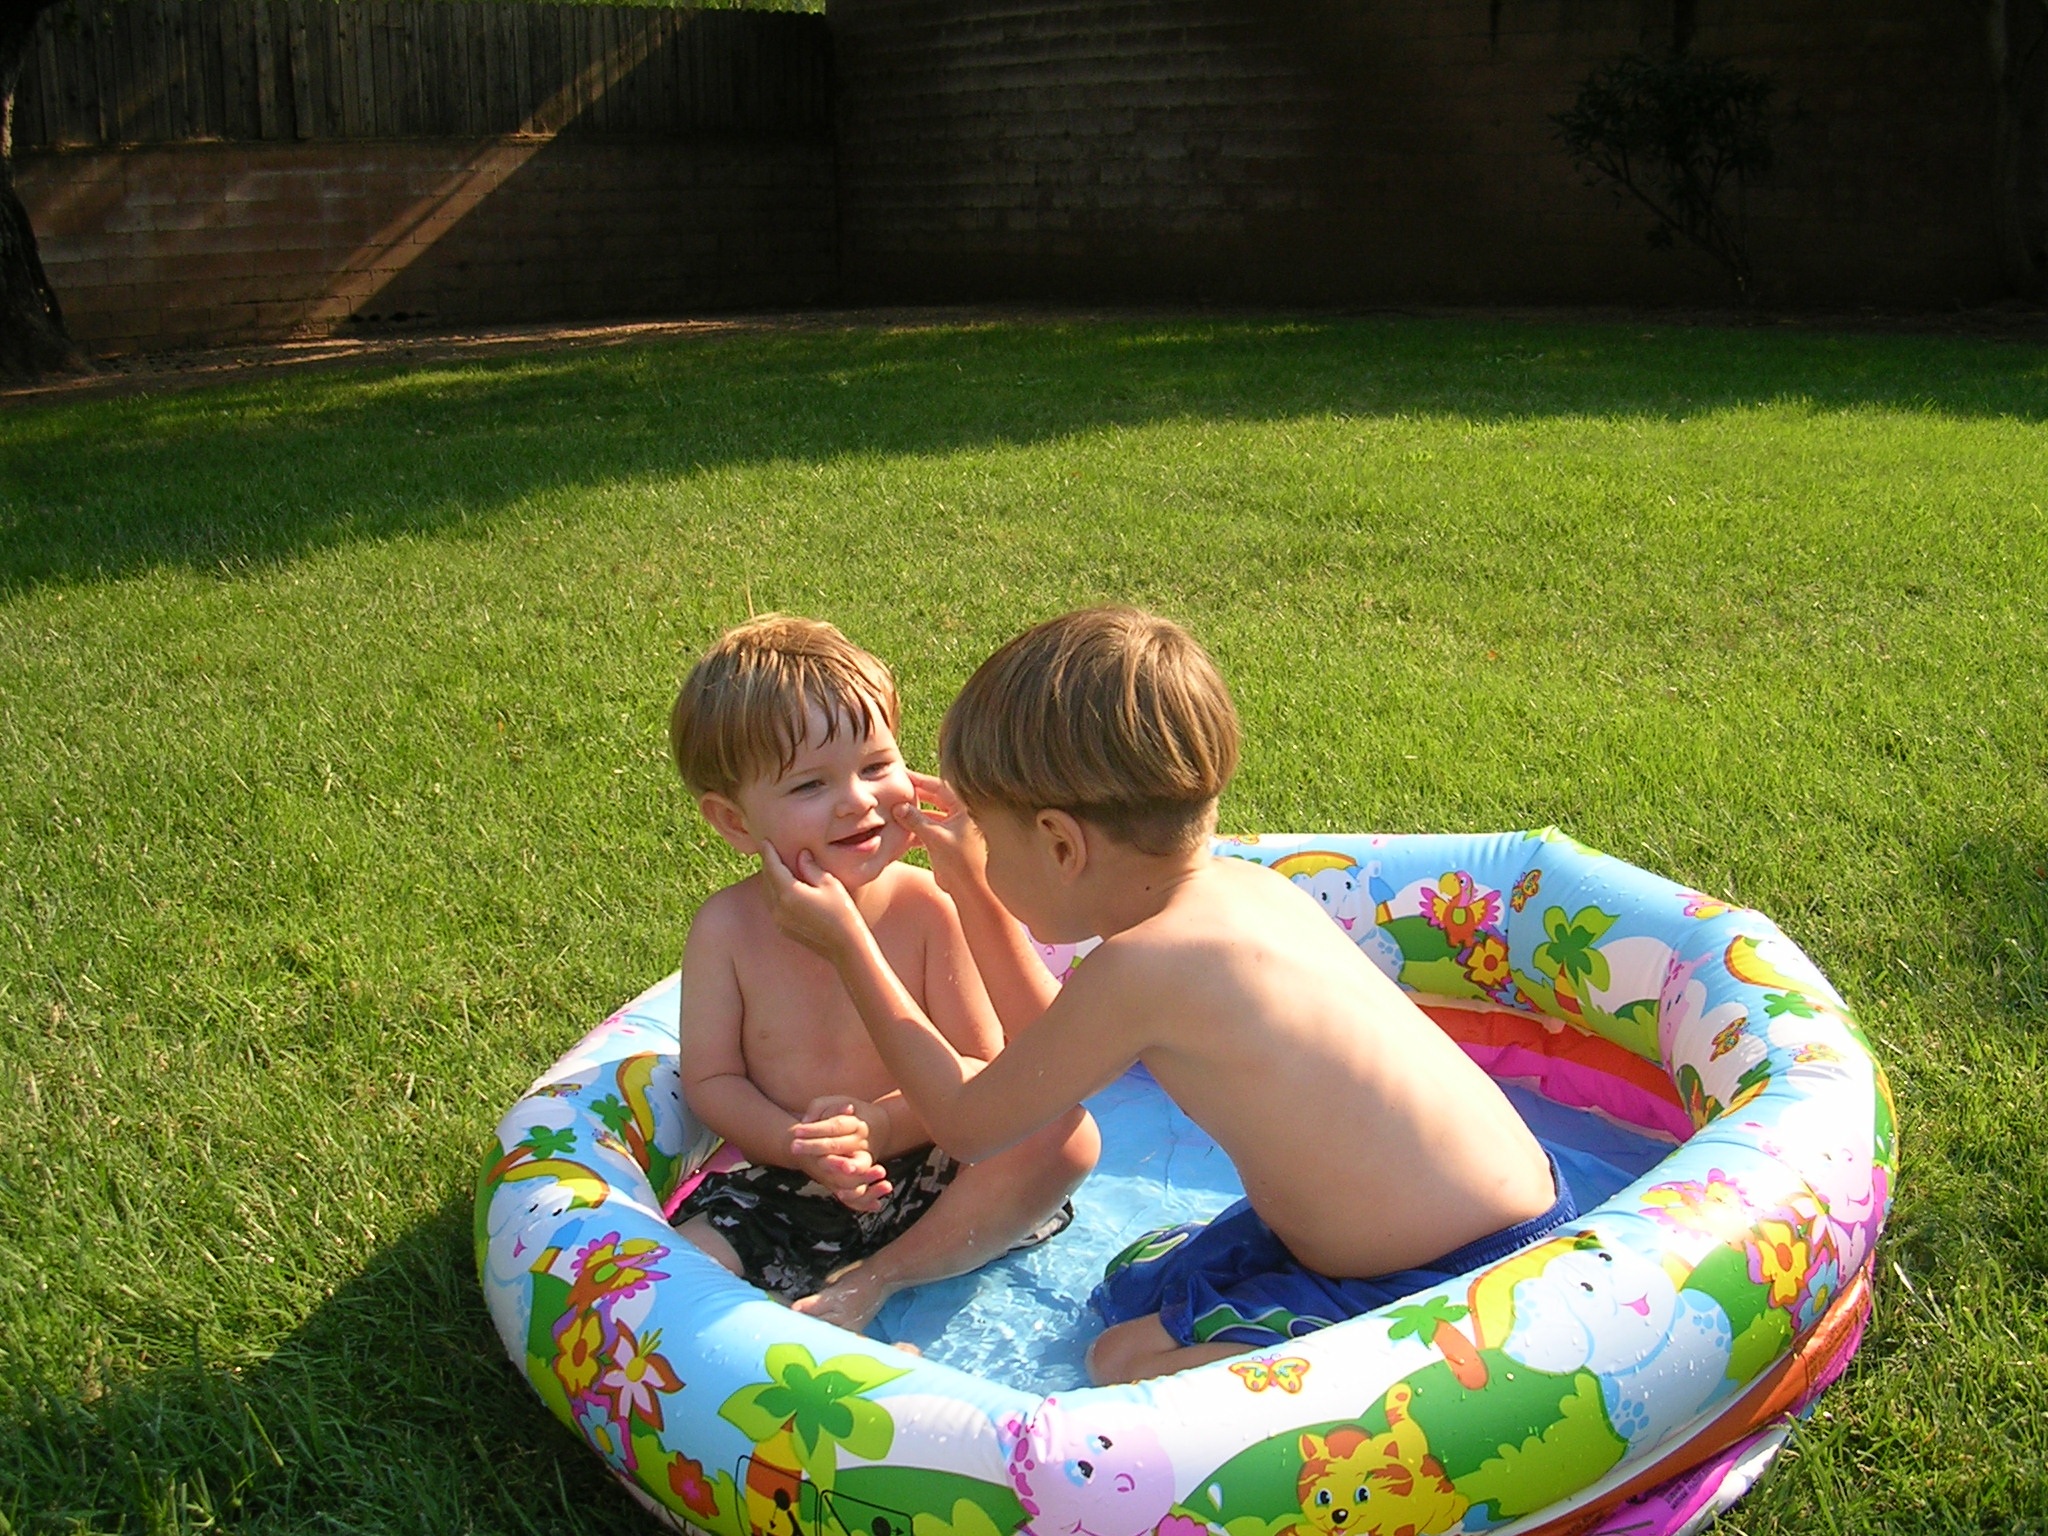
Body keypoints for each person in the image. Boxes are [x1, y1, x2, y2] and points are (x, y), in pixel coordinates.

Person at [760, 606, 1574, 1382]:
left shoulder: (1148, 966)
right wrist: (974, 886)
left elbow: (972, 1126)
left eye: (992, 842)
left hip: (1452, 1282)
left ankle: (1422, 1373)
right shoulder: (1238, 895)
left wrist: (849, 945)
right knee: (1132, 1286)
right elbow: (1051, 1054)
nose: (983, 859)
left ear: (1060, 844)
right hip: (1505, 1210)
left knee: (1118, 1364)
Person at [667, 614, 1099, 1333]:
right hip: (791, 1181)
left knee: (1064, 1137)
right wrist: (798, 1144)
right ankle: (795, 1329)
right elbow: (713, 1082)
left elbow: (984, 1069)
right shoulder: (726, 930)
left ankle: (878, 1279)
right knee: (680, 1273)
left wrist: (881, 1121)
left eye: (876, 766)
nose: (857, 800)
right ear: (735, 822)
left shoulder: (927, 907)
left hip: (938, 1170)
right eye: (810, 785)